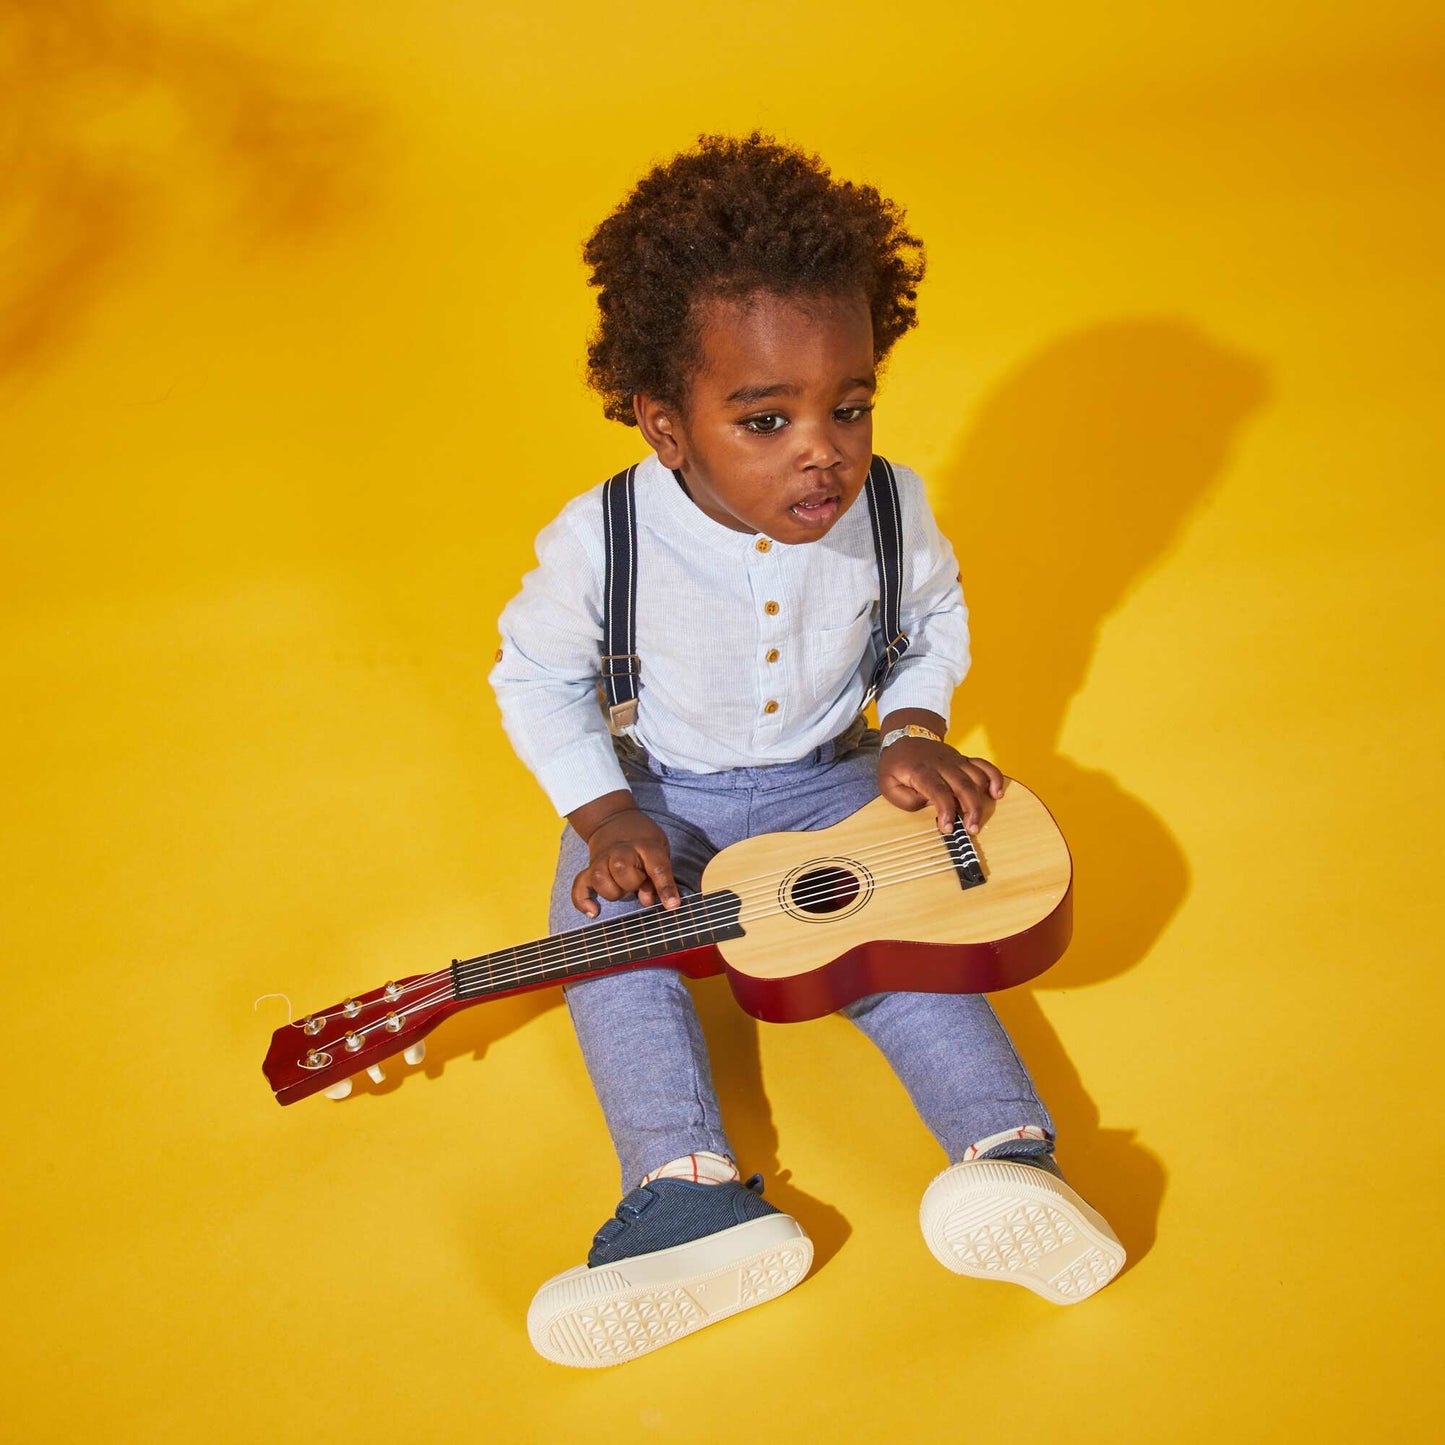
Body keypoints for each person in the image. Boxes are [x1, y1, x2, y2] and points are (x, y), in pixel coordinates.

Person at [489, 133, 1123, 1369]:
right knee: (599, 936)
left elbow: (932, 621)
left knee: (899, 934)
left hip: (835, 770)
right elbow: (533, 677)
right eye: (764, 419)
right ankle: (688, 1192)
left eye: (849, 404)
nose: (820, 450)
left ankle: (1011, 1162)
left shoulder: (890, 504)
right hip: (664, 792)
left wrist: (913, 727)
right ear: (666, 425)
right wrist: (604, 815)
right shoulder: (601, 541)